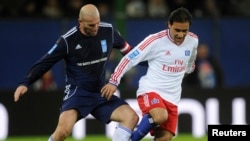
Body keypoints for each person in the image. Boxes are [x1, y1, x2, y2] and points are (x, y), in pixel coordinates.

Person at [13, 4, 139, 141]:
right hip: (77, 93)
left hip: (100, 92)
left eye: (97, 23)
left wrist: (152, 59)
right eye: (91, 25)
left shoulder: (108, 31)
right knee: (62, 132)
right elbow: (45, 62)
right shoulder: (67, 41)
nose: (96, 28)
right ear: (80, 22)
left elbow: (131, 53)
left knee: (131, 117)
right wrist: (25, 82)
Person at [101, 7, 198, 141]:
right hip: (151, 90)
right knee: (160, 116)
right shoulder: (155, 40)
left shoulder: (193, 41)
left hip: (173, 98)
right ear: (169, 24)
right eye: (177, 30)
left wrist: (188, 70)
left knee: (164, 139)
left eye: (185, 31)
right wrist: (114, 80)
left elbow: (191, 62)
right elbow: (129, 58)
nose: (181, 35)